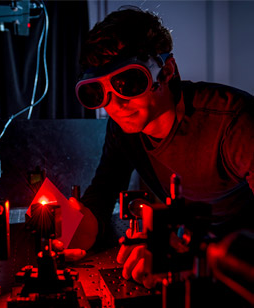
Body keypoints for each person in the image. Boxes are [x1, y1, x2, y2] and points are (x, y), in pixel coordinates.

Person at [68, 6, 254, 288]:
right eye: (99, 92)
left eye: (127, 83)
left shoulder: (235, 122)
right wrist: (77, 226)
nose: (115, 106)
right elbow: (103, 192)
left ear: (166, 72)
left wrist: (182, 258)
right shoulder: (124, 128)